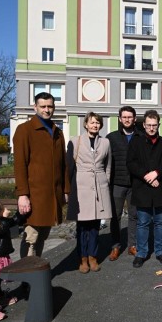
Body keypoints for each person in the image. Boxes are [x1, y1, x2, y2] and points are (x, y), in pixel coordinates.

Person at [13, 92, 69, 258]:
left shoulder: (57, 132)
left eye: (50, 106)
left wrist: (66, 190)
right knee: (31, 237)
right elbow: (20, 165)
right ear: (35, 107)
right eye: (43, 106)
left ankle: (36, 272)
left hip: (52, 196)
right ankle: (26, 276)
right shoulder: (25, 130)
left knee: (43, 235)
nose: (47, 110)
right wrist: (22, 194)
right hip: (35, 196)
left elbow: (63, 164)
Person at [127, 110, 162, 268]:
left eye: (154, 125)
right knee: (142, 222)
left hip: (160, 186)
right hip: (142, 188)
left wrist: (156, 174)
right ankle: (141, 253)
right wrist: (147, 176)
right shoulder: (135, 142)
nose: (151, 128)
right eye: (148, 125)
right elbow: (131, 163)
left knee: (160, 222)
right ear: (144, 125)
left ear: (159, 125)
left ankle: (161, 252)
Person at [66, 112, 113, 273]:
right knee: (82, 227)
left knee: (94, 226)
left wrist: (105, 180)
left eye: (98, 123)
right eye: (92, 122)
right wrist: (68, 191)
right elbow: (69, 167)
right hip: (82, 187)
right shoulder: (75, 141)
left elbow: (108, 165)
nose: (95, 125)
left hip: (99, 187)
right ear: (85, 124)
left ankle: (93, 256)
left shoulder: (106, 142)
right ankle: (82, 258)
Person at [107, 106, 142, 259]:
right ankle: (115, 246)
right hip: (117, 183)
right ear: (120, 119)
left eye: (130, 117)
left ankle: (132, 245)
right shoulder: (111, 138)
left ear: (134, 119)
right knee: (115, 216)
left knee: (134, 215)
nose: (127, 119)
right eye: (124, 117)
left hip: (135, 184)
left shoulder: (141, 136)